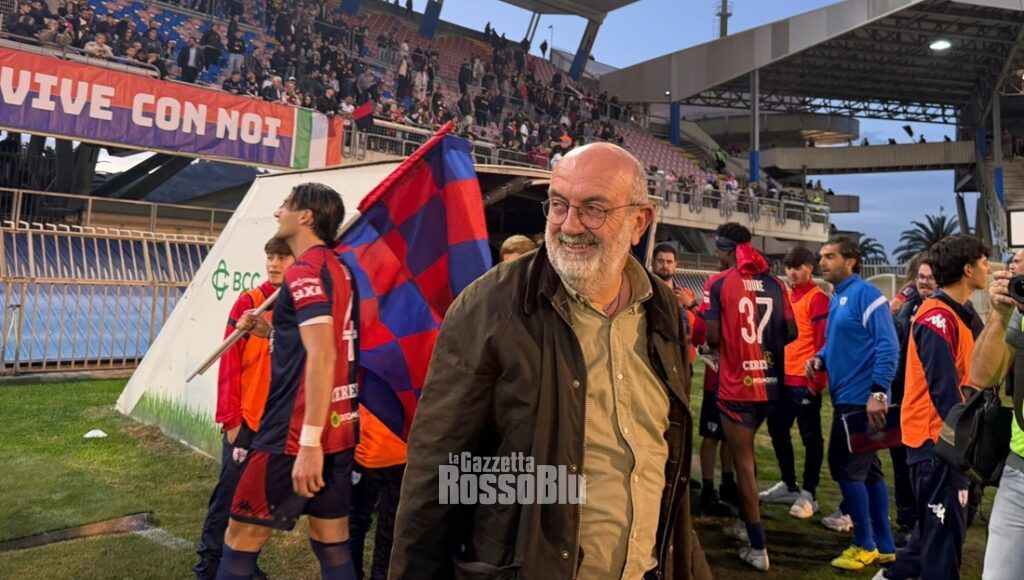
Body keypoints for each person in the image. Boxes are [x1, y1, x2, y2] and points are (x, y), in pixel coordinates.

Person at [390, 143, 711, 579]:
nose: (569, 225)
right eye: (558, 205)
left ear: (640, 221)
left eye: (593, 209)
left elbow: (666, 458)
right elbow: (437, 473)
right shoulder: (490, 306)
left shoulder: (663, 308)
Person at [217, 183, 359, 580]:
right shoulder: (340, 268)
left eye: (285, 205)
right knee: (331, 542)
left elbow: (323, 354)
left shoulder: (305, 270)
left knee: (239, 540)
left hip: (293, 434)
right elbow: (317, 340)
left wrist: (308, 443)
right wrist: (269, 332)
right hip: (339, 428)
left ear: (305, 216)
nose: (278, 212)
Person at [878, 235, 987, 580]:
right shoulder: (937, 318)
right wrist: (965, 446)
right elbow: (944, 393)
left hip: (945, 444)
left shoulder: (961, 314)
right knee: (942, 547)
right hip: (938, 445)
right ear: (968, 269)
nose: (988, 269)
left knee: (931, 538)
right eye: (984, 263)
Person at [193, 238, 293, 580]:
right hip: (247, 422)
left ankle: (244, 565)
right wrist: (230, 418)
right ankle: (208, 568)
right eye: (270, 257)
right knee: (227, 498)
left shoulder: (301, 306)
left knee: (257, 503)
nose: (273, 263)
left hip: (277, 424)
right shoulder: (250, 302)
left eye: (282, 257)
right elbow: (229, 363)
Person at [704, 222, 796, 571]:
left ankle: (758, 547)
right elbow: (791, 331)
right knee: (747, 456)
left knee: (743, 462)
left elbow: (713, 338)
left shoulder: (718, 283)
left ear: (725, 249)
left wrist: (736, 347)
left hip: (737, 384)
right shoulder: (776, 283)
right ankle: (745, 523)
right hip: (771, 383)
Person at [807, 237, 899, 570]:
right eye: (821, 256)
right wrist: (820, 357)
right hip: (849, 398)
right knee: (869, 471)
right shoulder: (840, 296)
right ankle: (884, 545)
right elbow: (838, 340)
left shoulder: (867, 295)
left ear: (851, 261)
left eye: (830, 256)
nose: (823, 262)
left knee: (845, 469)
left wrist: (879, 392)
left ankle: (863, 544)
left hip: (861, 400)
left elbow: (888, 346)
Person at [967, 254, 1024, 579]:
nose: (1015, 269)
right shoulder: (1020, 312)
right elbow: (982, 376)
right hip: (1019, 472)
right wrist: (1000, 315)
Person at [761, 246, 828, 519]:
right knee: (777, 428)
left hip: (805, 379)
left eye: (797, 267)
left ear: (809, 268)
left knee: (810, 436)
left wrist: (816, 383)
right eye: (789, 267)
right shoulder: (786, 295)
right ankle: (789, 485)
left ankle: (809, 493)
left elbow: (823, 342)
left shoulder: (818, 298)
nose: (792, 272)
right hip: (783, 378)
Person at [890, 252, 936, 545]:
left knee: (926, 467)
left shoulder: (955, 310)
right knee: (901, 461)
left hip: (930, 405)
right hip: (903, 397)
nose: (924, 282)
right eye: (920, 277)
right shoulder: (906, 305)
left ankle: (925, 527)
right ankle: (907, 523)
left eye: (930, 277)